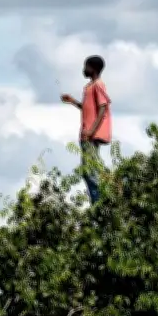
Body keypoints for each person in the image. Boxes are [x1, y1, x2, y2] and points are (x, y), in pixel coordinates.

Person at [60, 55, 112, 205]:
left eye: (86, 67)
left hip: (90, 135)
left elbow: (103, 107)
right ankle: (97, 202)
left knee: (90, 171)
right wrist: (72, 101)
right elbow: (88, 108)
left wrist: (91, 131)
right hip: (86, 135)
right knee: (88, 171)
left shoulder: (98, 85)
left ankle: (99, 204)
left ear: (93, 69)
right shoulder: (89, 87)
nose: (84, 69)